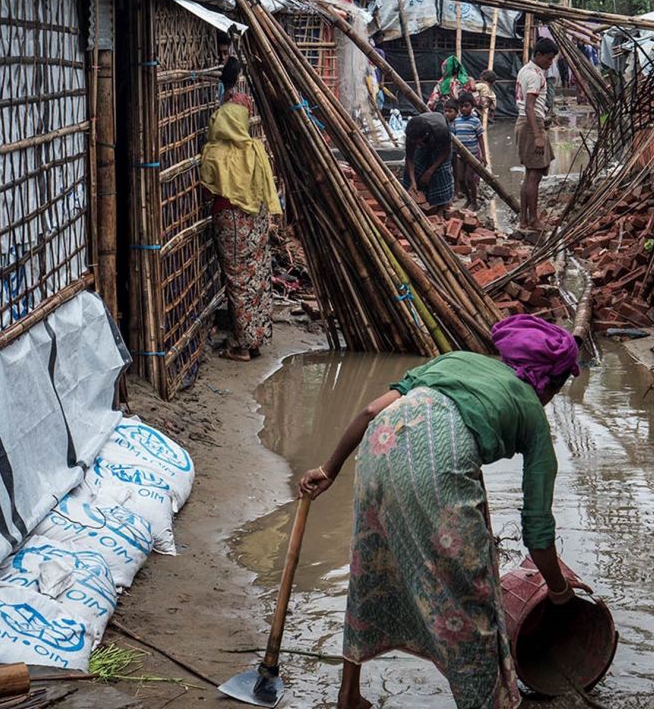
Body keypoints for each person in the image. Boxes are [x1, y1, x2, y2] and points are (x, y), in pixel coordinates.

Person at [299, 314, 582, 709]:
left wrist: (329, 469)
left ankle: (348, 696)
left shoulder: (455, 360)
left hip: (379, 447)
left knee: (371, 565)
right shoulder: (533, 413)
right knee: (471, 596)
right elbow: (537, 528)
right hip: (437, 466)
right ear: (548, 383)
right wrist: (559, 591)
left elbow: (368, 412)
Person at [201, 65, 279, 362]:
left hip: (231, 222)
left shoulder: (215, 153)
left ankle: (242, 346)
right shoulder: (254, 149)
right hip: (255, 222)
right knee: (257, 277)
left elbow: (208, 192)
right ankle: (255, 339)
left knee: (237, 280)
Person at [516, 38, 558, 231]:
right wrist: (538, 135)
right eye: (548, 59)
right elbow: (529, 107)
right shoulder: (535, 75)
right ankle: (533, 220)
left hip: (525, 123)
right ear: (539, 55)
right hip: (531, 124)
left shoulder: (525, 70)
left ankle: (524, 219)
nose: (550, 63)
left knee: (529, 174)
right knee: (535, 175)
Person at [402, 107, 454, 213]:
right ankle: (419, 202)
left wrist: (430, 171)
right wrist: (413, 182)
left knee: (441, 174)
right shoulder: (411, 133)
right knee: (416, 168)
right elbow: (409, 157)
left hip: (440, 145)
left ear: (425, 136)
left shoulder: (441, 130)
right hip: (424, 139)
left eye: (417, 141)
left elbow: (446, 152)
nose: (414, 142)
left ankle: (441, 207)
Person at [451, 93, 485, 208]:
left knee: (469, 179)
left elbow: (481, 139)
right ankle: (469, 199)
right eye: (461, 106)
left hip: (473, 155)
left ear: (472, 106)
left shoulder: (475, 121)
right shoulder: (457, 121)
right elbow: (454, 137)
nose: (464, 109)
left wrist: (484, 156)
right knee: (460, 179)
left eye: (466, 106)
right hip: (461, 156)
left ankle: (474, 202)